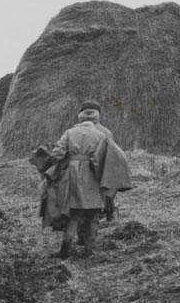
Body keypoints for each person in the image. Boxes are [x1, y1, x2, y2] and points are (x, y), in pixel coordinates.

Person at [45, 103, 132, 259]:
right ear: (96, 118)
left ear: (80, 117)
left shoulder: (70, 132)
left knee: (73, 214)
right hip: (93, 177)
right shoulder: (103, 135)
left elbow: (57, 154)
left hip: (71, 176)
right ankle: (89, 251)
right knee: (92, 215)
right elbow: (114, 157)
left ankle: (65, 249)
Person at [78, 100, 118, 220]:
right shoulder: (106, 132)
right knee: (107, 188)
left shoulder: (73, 130)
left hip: (79, 168)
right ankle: (109, 211)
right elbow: (112, 153)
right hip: (101, 167)